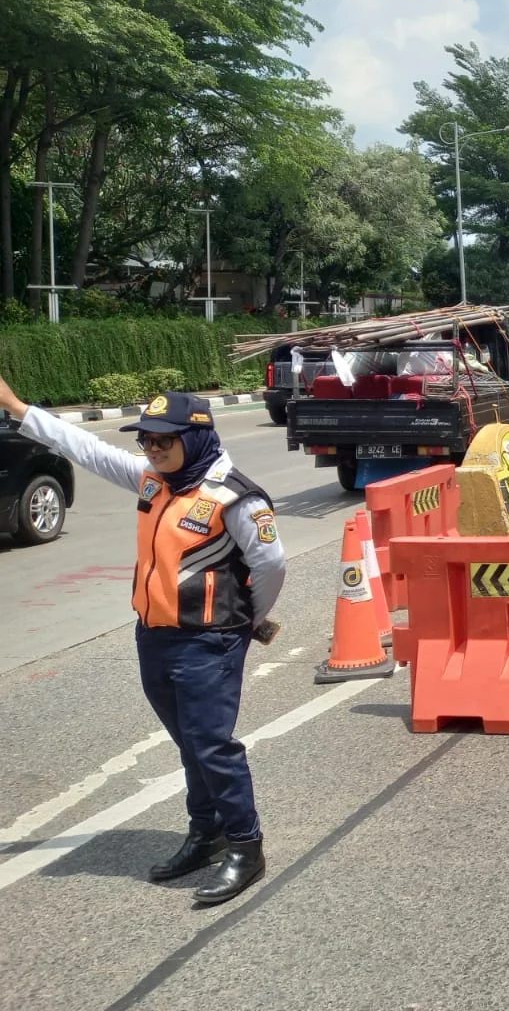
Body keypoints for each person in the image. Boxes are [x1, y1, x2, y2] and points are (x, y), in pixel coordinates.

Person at [0, 376, 285, 906]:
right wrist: (17, 407)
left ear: (195, 438)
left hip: (208, 642)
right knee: (189, 744)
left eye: (164, 440)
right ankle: (206, 834)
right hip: (153, 636)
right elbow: (85, 448)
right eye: (147, 441)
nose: (152, 450)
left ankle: (246, 846)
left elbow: (271, 565)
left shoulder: (235, 497)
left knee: (212, 746)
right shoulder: (155, 482)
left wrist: (247, 621)